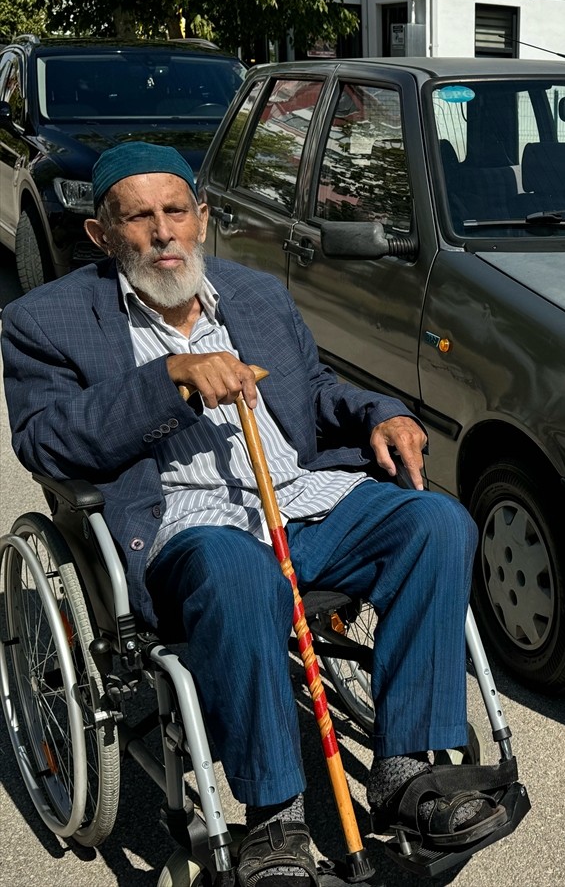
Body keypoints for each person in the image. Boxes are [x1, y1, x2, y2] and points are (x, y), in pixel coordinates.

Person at [1, 142, 505, 886]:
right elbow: (47, 439)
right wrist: (168, 381)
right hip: (188, 529)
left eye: (175, 211)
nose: (162, 231)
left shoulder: (254, 294)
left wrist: (382, 413)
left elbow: (319, 389)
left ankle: (407, 778)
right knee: (238, 571)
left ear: (202, 219)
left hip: (298, 498)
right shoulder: (45, 320)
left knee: (437, 523)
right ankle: (276, 821)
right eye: (138, 218)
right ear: (102, 236)